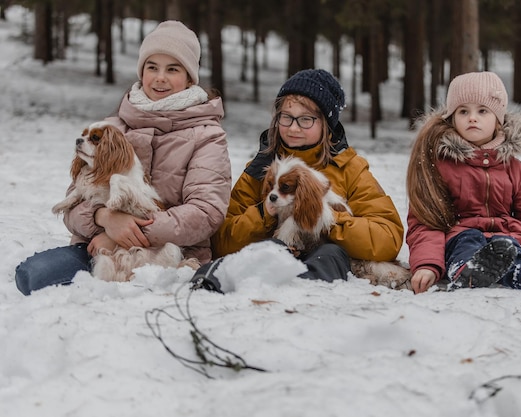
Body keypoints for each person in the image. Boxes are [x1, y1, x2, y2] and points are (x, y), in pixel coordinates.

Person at [15, 21, 231, 295]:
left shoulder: (207, 136)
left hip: (171, 257)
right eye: (152, 67)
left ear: (189, 78)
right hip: (99, 250)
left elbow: (205, 213)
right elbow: (73, 204)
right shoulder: (112, 128)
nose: (160, 77)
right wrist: (104, 218)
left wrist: (127, 232)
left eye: (172, 69)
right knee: (31, 276)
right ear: (142, 71)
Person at [192, 69, 404, 292]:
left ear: (325, 123)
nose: (293, 128)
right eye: (286, 117)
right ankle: (210, 284)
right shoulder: (260, 169)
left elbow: (388, 238)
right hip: (273, 255)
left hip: (327, 256)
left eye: (305, 119)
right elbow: (222, 241)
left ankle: (303, 292)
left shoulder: (350, 168)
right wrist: (263, 214)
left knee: (330, 254)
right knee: (267, 249)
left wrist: (328, 221)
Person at [405, 71, 521, 300]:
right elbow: (425, 220)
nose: (472, 118)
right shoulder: (440, 166)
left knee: (510, 247)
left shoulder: (514, 168)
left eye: (482, 111)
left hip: (507, 239)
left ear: (498, 119)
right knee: (469, 241)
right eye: (463, 111)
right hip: (461, 235)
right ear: (452, 118)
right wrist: (427, 264)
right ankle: (467, 271)